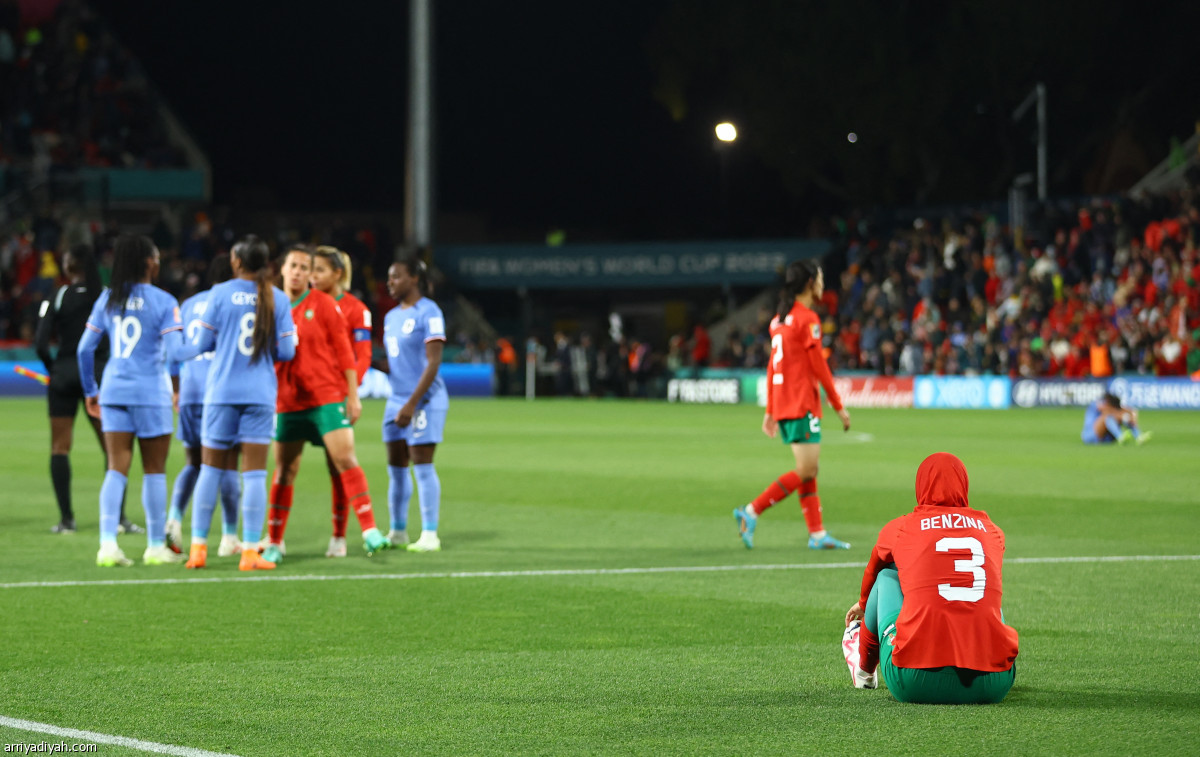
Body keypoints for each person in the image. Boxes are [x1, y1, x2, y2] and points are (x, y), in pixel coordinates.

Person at [842, 452, 1019, 704]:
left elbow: (873, 569)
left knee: (885, 578)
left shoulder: (902, 527)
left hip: (914, 682)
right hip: (993, 685)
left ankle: (864, 670)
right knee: (986, 597)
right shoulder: (993, 531)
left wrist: (863, 604)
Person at [265, 244, 390, 562]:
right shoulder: (269, 304)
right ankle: (275, 541)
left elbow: (347, 352)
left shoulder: (325, 305)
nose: (299, 272)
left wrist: (352, 394)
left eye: (305, 268)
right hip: (288, 401)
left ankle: (369, 530)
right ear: (282, 268)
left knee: (344, 459)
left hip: (326, 397)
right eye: (293, 265)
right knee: (284, 471)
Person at [178, 236, 296, 571]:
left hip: (221, 393)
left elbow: (201, 342)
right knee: (255, 474)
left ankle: (198, 549)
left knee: (211, 468)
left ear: (236, 261)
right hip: (259, 394)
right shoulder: (278, 298)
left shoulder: (218, 294)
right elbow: (287, 352)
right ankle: (249, 552)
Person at [76, 235, 184, 567]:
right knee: (154, 470)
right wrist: (178, 387)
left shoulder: (108, 298)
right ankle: (154, 547)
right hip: (150, 393)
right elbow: (176, 355)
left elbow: (84, 349)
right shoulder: (165, 301)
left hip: (114, 390)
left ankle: (107, 545)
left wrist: (90, 390)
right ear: (150, 263)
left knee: (115, 468)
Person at [733, 259, 852, 550]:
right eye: (821, 278)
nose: (824, 283)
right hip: (802, 402)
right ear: (811, 283)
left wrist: (771, 409)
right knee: (807, 469)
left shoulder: (780, 319)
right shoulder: (807, 318)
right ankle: (751, 511)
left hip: (786, 402)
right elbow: (819, 366)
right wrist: (838, 405)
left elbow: (773, 367)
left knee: (808, 468)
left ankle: (817, 534)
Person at [34, 244, 140, 535]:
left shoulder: (58, 295)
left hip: (64, 375)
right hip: (99, 375)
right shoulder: (106, 295)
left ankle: (67, 519)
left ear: (70, 266)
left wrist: (55, 369)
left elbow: (41, 343)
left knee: (59, 447)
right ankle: (119, 518)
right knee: (113, 447)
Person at [165, 254, 243, 560]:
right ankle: (229, 537)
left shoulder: (188, 305)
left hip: (190, 391)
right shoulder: (233, 301)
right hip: (221, 392)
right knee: (227, 464)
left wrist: (176, 390)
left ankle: (173, 519)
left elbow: (174, 352)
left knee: (194, 463)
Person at [309, 246, 372, 558]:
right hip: (300, 397)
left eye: (319, 270)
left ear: (337, 273)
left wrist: (350, 391)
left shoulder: (356, 309)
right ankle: (273, 535)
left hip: (334, 396)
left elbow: (363, 355)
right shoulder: (298, 304)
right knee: (285, 465)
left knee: (338, 465)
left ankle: (338, 536)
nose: (312, 276)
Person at [382, 256, 448, 552]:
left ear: (414, 279)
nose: (390, 282)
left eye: (396, 277)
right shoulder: (391, 316)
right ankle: (398, 531)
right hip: (395, 399)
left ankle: (430, 534)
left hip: (424, 400)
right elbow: (398, 362)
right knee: (396, 468)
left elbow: (433, 363)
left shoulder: (429, 312)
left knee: (422, 464)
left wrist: (411, 403)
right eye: (389, 277)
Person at [1082, 392, 1151, 446]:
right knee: (1108, 417)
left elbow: (1132, 411)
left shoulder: (1113, 407)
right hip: (1091, 435)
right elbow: (1106, 409)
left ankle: (1139, 436)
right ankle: (1120, 436)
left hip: (1106, 438)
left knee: (1124, 417)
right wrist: (1123, 416)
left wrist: (1129, 416)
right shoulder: (1098, 404)